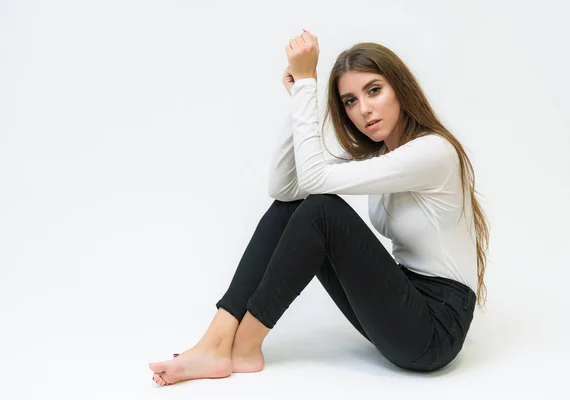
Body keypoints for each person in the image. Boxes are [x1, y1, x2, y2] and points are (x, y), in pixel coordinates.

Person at [149, 30, 489, 386]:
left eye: (374, 90)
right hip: (404, 305)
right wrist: (300, 97)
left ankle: (244, 346)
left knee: (322, 210)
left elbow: (314, 182)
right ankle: (216, 340)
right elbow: (284, 189)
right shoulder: (382, 155)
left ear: (400, 88)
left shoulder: (432, 153)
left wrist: (308, 84)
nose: (364, 109)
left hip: (434, 330)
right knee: (294, 209)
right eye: (350, 101)